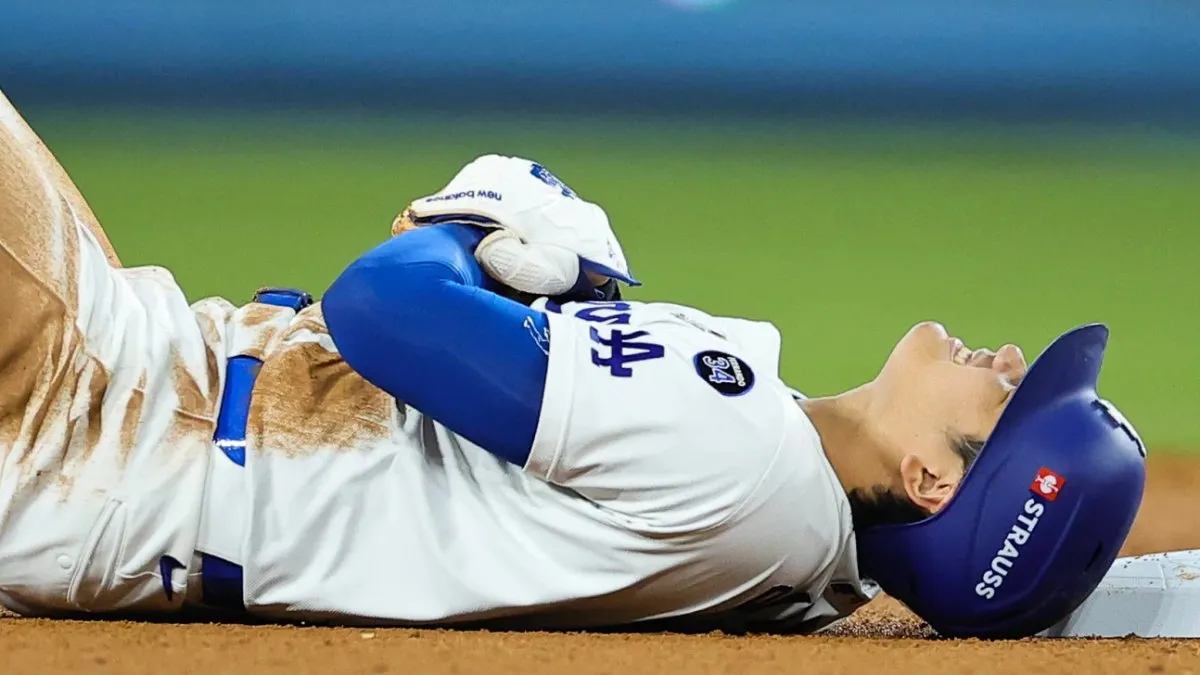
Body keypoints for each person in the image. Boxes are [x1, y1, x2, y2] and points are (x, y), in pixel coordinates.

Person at [0, 89, 1145, 636]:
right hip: (140, 428)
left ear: (935, 482)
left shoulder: (733, 445)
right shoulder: (804, 559)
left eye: (1009, 394)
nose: (1003, 356)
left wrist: (474, 215)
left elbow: (379, 312)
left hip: (102, 414)